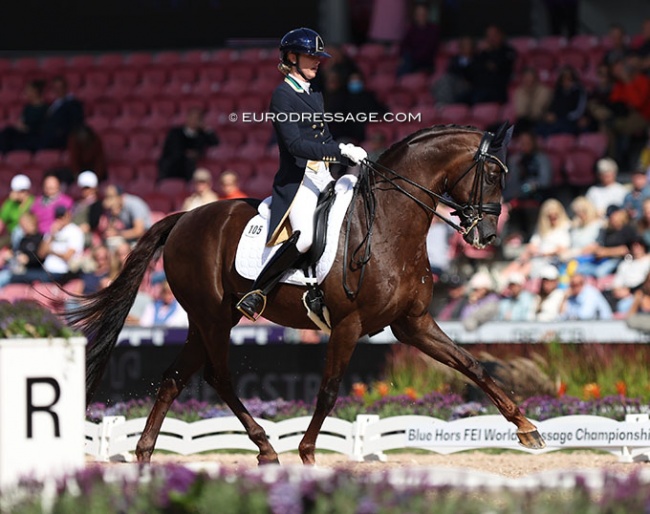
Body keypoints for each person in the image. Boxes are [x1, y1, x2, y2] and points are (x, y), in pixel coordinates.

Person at [236, 27, 367, 321]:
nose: (318, 62)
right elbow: (295, 145)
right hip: (298, 180)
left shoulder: (315, 92)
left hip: (323, 175)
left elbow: (324, 138)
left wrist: (347, 152)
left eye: (318, 57)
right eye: (311, 57)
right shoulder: (282, 96)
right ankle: (258, 292)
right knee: (306, 236)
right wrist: (339, 151)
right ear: (292, 58)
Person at [11, 206, 84, 284]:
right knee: (15, 277)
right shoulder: (52, 231)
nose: (60, 219)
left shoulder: (75, 231)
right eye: (58, 216)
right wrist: (52, 235)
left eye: (62, 216)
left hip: (62, 271)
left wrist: (50, 251)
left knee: (20, 277)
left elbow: (67, 256)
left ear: (68, 215)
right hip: (46, 270)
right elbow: (41, 254)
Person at [502, 131, 553, 242]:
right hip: (517, 197)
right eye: (522, 142)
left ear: (533, 142)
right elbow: (512, 182)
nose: (524, 145)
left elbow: (545, 180)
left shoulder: (542, 159)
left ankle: (533, 239)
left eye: (527, 142)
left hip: (537, 197)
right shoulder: (515, 160)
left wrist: (529, 186)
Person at [157, 107, 219, 182]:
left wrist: (207, 129)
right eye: (192, 118)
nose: (194, 121)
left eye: (197, 119)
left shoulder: (202, 135)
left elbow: (215, 143)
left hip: (189, 167)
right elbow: (172, 149)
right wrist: (186, 153)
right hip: (172, 165)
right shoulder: (175, 132)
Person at [579, 204, 639, 278]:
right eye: (610, 217)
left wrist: (606, 252)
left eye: (613, 216)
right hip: (604, 260)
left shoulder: (628, 229)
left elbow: (627, 250)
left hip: (622, 261)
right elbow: (600, 247)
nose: (612, 219)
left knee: (600, 272)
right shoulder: (607, 231)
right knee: (580, 269)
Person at [471, 25, 517, 104]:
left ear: (501, 35)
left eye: (494, 35)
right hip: (478, 89)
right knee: (460, 99)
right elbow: (473, 69)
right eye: (489, 36)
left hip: (497, 90)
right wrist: (478, 52)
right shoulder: (482, 52)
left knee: (476, 100)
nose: (491, 39)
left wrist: (491, 52)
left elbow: (495, 66)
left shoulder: (508, 51)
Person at [536, 66, 588, 137]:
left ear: (574, 80)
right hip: (556, 120)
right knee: (539, 129)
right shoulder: (558, 91)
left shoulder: (579, 91)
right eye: (563, 79)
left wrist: (560, 116)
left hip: (571, 121)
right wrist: (549, 115)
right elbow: (553, 106)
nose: (566, 82)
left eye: (569, 79)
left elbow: (579, 111)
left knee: (558, 129)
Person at [0, 79, 48, 153]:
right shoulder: (27, 108)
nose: (26, 93)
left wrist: (26, 128)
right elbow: (21, 120)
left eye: (28, 90)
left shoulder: (45, 109)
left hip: (34, 137)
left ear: (35, 91)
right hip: (23, 134)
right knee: (7, 131)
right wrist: (19, 125)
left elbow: (41, 127)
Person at [41, 76, 84, 150]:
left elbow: (75, 123)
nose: (57, 90)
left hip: (62, 139)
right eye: (55, 88)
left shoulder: (73, 104)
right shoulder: (54, 104)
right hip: (49, 137)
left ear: (65, 87)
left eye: (59, 87)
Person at [431, 35, 477, 106]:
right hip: (454, 83)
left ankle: (446, 105)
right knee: (441, 82)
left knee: (447, 81)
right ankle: (444, 104)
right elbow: (451, 72)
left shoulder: (478, 60)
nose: (465, 47)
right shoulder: (455, 60)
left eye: (467, 45)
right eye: (462, 45)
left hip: (468, 85)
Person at [397, 1, 440, 76]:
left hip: (425, 63)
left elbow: (429, 49)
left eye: (423, 13)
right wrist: (403, 57)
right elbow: (404, 45)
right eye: (418, 14)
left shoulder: (433, 30)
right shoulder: (412, 29)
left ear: (427, 14)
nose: (421, 16)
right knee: (405, 59)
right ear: (415, 16)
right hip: (410, 61)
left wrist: (412, 58)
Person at [512, 68, 552, 134]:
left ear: (536, 79)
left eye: (531, 80)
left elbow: (537, 112)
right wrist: (527, 94)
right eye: (526, 80)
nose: (529, 83)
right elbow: (521, 112)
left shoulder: (544, 91)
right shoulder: (519, 91)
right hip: (524, 121)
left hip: (539, 121)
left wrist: (532, 94)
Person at [0, 174, 34, 250]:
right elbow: (1, 222)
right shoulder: (10, 203)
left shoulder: (33, 202)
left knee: (18, 231)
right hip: (11, 235)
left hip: (27, 236)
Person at [72, 170, 104, 247]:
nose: (85, 191)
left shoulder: (96, 204)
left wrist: (80, 229)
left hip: (87, 237)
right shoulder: (78, 203)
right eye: (83, 188)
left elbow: (93, 223)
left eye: (87, 188)